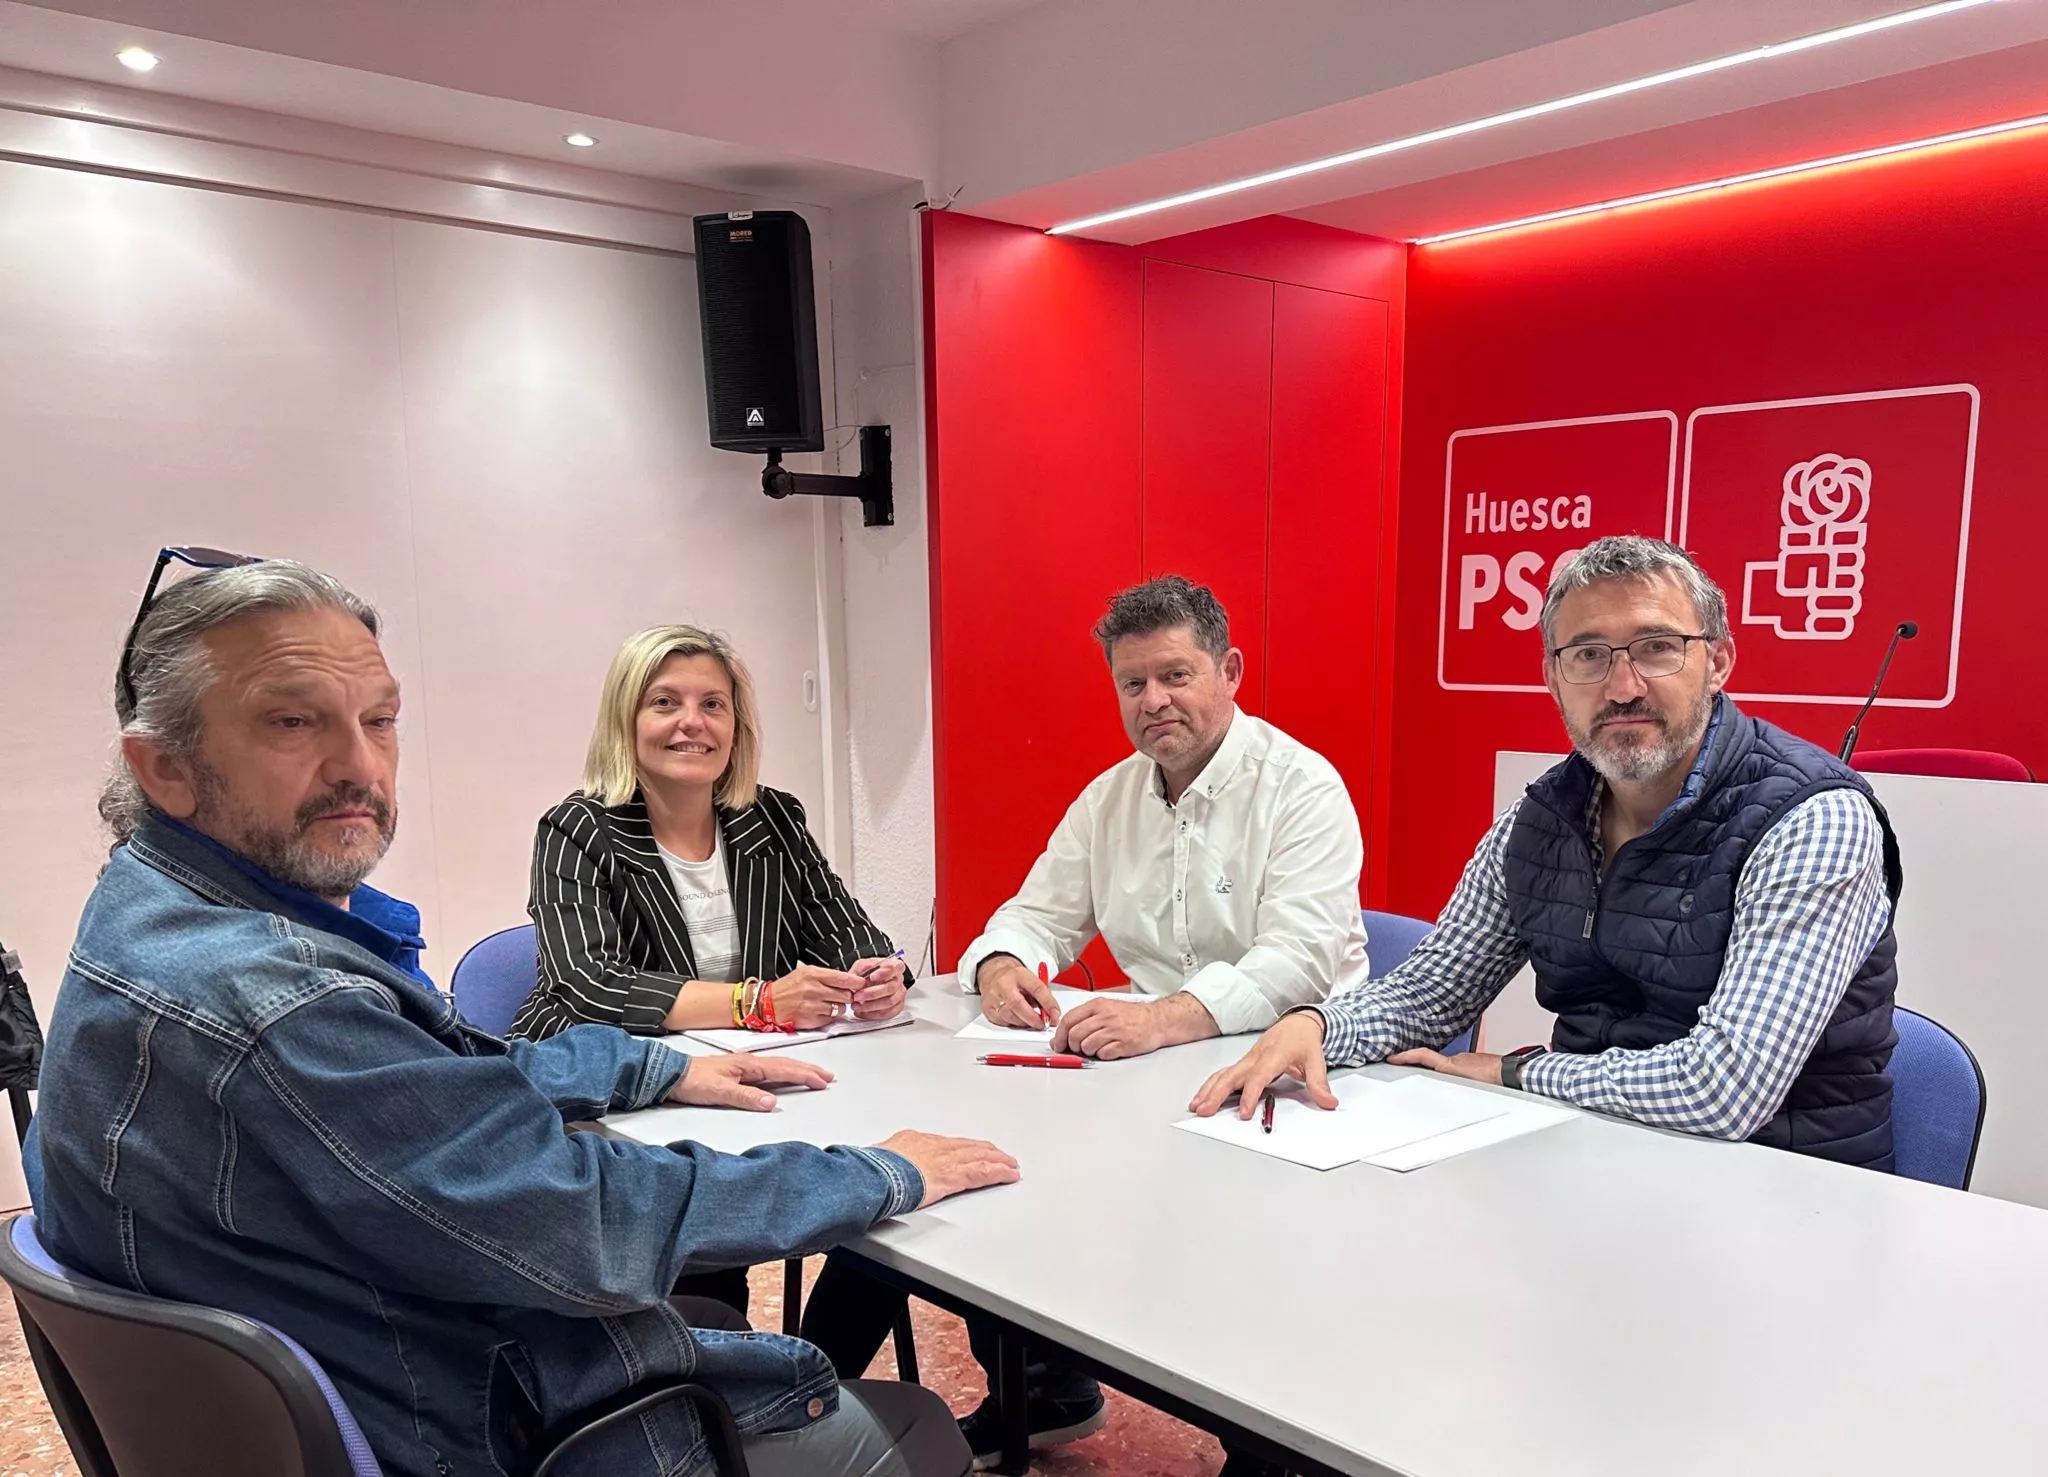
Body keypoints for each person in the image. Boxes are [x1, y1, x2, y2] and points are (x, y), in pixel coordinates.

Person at [27, 558, 1019, 1477]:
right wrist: (875, 1167)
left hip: (391, 1369)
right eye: (293, 722)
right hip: (493, 1428)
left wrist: (650, 1068)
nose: (357, 765)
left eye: (379, 720)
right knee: (906, 1433)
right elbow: (586, 1217)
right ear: (162, 766)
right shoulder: (288, 999)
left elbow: (418, 1081)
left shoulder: (150, 914)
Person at [1193, 535, 1902, 1178]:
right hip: (1596, 1163)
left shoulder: (1812, 818)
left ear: (1717, 661)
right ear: (1553, 677)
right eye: (1589, 655)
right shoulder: (1537, 822)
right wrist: (1315, 1024)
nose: (1623, 686)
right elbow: (1426, 995)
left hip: (1785, 1190)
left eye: (1657, 647)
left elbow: (1723, 1087)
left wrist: (1520, 1073)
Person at [953, 574, 1371, 1471]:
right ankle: (1048, 1387)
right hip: (1146, 1080)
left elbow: (1296, 960)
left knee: (1230, 1266)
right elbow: (1035, 915)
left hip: (1292, 1080)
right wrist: (1001, 965)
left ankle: (1268, 1447)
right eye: (1133, 684)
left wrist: (1164, 1021)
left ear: (1229, 671)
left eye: (1176, 675)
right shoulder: (1110, 799)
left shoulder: (1302, 788)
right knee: (998, 1183)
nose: (1155, 702)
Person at [515, 624, 910, 1327]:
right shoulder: (578, 828)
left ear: (736, 724)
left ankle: (816, 1380)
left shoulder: (773, 817)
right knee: (707, 1242)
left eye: (713, 704)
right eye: (665, 702)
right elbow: (591, 985)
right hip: (615, 1090)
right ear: (626, 720)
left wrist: (877, 973)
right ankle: (738, 1393)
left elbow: (846, 929)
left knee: (892, 1196)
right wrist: (753, 1000)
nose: (691, 723)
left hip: (754, 1077)